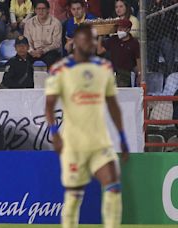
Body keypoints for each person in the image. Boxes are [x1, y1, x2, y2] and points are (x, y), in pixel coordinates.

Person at [45, 24, 129, 228]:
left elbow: (112, 105)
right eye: (88, 39)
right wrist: (54, 133)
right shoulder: (60, 70)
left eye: (94, 39)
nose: (92, 44)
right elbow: (49, 105)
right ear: (75, 42)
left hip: (100, 142)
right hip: (73, 145)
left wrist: (122, 136)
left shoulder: (104, 68)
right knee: (74, 196)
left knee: (113, 185)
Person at [97, 19, 141, 87]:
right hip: (113, 71)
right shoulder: (113, 39)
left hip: (126, 73)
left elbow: (138, 59)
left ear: (128, 30)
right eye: (118, 28)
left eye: (122, 28)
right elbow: (99, 51)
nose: (119, 30)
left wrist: (139, 74)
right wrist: (100, 36)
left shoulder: (134, 43)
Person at [24, 0, 62, 69]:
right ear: (35, 10)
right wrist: (31, 51)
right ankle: (27, 79)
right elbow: (27, 41)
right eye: (38, 9)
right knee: (23, 57)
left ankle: (51, 79)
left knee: (52, 58)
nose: (41, 11)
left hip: (49, 51)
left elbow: (57, 43)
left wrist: (43, 51)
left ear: (48, 10)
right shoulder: (29, 23)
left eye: (43, 9)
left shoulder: (56, 23)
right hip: (33, 51)